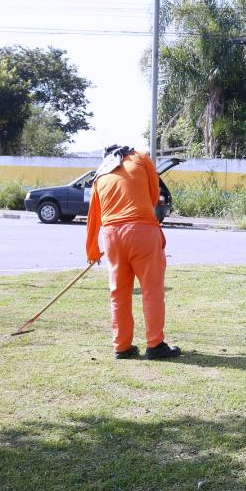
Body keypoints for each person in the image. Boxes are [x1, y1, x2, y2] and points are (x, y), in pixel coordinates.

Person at [86, 145, 181, 359]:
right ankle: (155, 345)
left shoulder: (100, 173)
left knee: (118, 293)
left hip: (111, 235)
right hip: (142, 231)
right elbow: (154, 191)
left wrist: (92, 249)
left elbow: (94, 214)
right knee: (152, 290)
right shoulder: (140, 157)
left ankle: (122, 347)